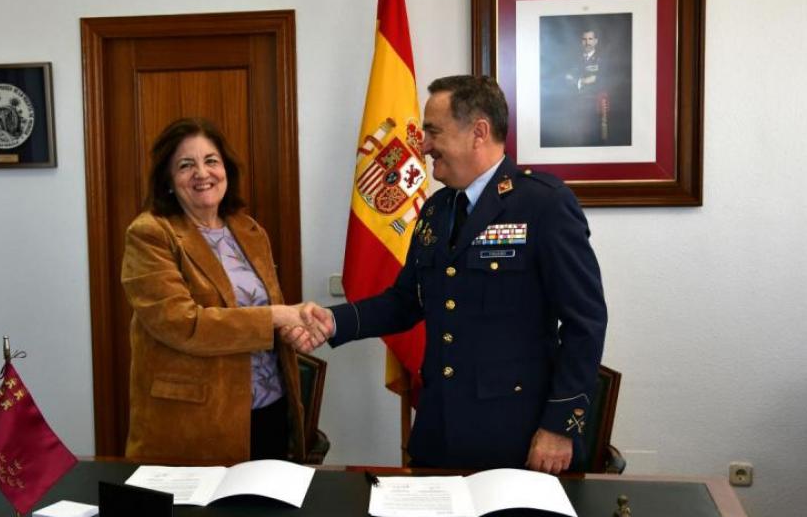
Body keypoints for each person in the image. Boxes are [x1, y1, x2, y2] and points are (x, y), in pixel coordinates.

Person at [287, 75, 606, 474]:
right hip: (439, 428)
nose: (422, 145)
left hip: (515, 435)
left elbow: (585, 322)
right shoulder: (437, 209)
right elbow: (406, 301)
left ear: (479, 132)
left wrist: (559, 426)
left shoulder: (543, 204)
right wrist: (333, 321)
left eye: (433, 131)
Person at [122, 117, 318, 464]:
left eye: (211, 160)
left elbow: (263, 309)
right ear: (168, 180)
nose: (202, 173)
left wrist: (291, 329)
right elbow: (182, 324)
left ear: (226, 169)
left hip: (270, 408)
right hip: (196, 422)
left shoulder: (247, 229)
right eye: (186, 165)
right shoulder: (150, 234)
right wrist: (277, 316)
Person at [561, 28, 609, 145]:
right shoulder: (574, 59)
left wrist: (577, 81)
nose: (587, 42)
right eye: (584, 39)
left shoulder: (601, 60)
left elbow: (598, 79)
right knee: (576, 139)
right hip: (575, 104)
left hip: (593, 105)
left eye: (590, 39)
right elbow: (566, 77)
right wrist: (583, 81)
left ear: (596, 41)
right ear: (581, 41)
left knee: (593, 139)